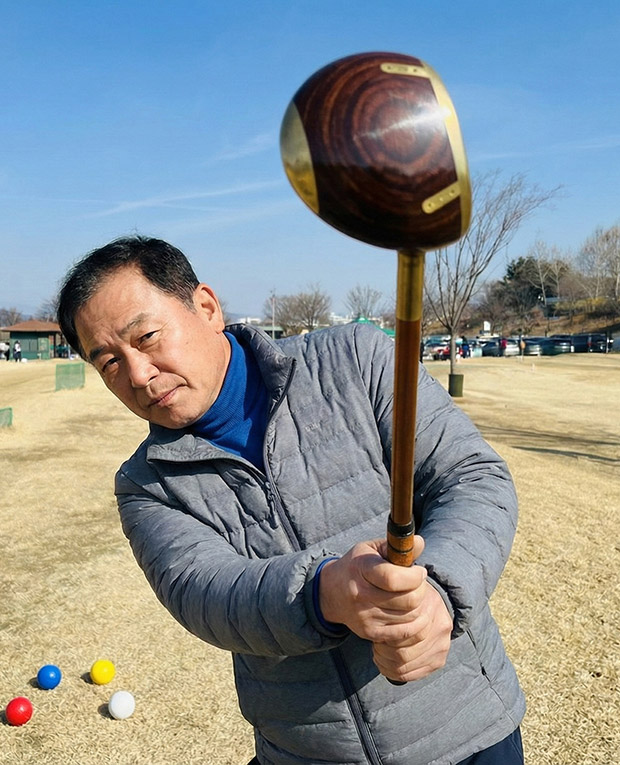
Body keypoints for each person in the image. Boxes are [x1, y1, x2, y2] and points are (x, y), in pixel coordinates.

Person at [56, 236, 524, 765]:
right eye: (109, 363)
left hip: (466, 731)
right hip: (305, 750)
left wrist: (440, 589)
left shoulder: (357, 360)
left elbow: (472, 477)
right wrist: (325, 592)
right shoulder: (145, 484)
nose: (138, 375)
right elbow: (205, 593)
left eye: (147, 337)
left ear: (206, 308)